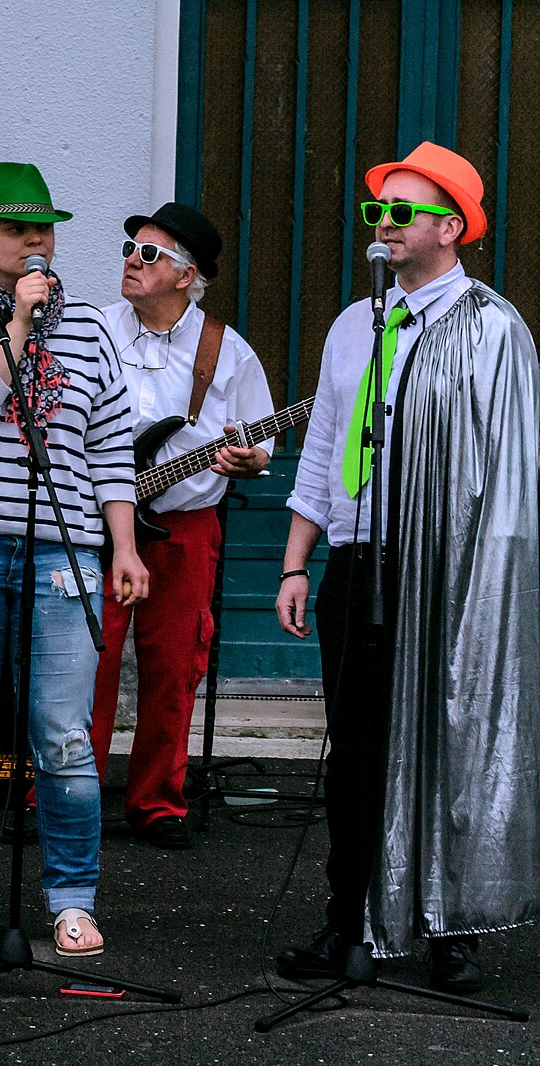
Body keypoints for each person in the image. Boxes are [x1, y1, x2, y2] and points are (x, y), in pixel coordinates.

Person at [275, 142, 539, 991]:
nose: (382, 225)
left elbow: (510, 475)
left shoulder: (493, 327)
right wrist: (293, 564)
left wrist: (487, 587)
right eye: (374, 212)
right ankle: (347, 920)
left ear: (450, 228)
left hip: (451, 573)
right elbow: (321, 448)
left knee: (447, 740)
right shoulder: (356, 324)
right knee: (354, 752)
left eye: (401, 211)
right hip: (357, 563)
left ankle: (445, 927)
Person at [0, 162, 148, 956]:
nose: (34, 240)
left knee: (64, 736)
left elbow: (109, 445)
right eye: (15, 228)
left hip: (64, 551)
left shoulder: (90, 331)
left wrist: (125, 545)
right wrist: (12, 328)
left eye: (41, 228)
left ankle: (71, 899)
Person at [89, 204, 274, 849]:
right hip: (98, 523)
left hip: (187, 524)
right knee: (87, 660)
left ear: (185, 275)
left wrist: (248, 458)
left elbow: (260, 443)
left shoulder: (227, 350)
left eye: (148, 254)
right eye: (129, 249)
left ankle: (157, 803)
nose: (130, 263)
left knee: (173, 666)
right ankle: (64, 798)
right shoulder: (93, 332)